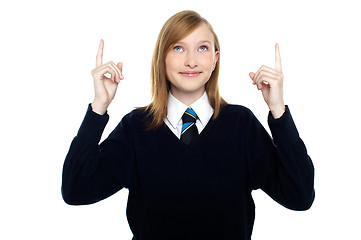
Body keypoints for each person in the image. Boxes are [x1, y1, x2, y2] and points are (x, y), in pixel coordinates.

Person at [61, 10, 315, 240]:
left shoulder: (241, 125)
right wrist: (98, 108)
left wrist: (278, 111)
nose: (191, 61)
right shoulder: (136, 128)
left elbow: (299, 195)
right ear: (162, 58)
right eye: (179, 48)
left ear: (215, 59)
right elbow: (75, 191)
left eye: (202, 48)